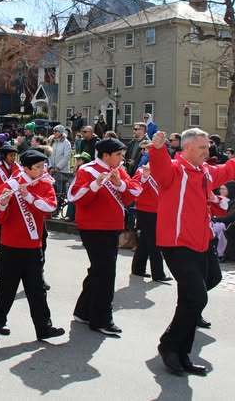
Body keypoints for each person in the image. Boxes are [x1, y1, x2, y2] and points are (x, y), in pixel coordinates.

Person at [148, 128, 235, 376]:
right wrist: (157, 149)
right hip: (176, 244)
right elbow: (160, 170)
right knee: (198, 298)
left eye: (207, 147)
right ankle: (169, 345)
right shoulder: (175, 170)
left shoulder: (204, 172)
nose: (207, 151)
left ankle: (180, 354)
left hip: (200, 243)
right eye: (201, 148)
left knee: (190, 299)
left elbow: (229, 170)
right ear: (186, 149)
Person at [0, 149, 65, 340]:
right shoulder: (11, 183)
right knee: (7, 287)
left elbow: (50, 207)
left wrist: (28, 196)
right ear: (27, 169)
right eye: (38, 167)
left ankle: (44, 327)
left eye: (43, 166)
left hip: (33, 245)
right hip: (11, 245)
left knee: (36, 289)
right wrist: (3, 203)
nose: (42, 169)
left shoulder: (45, 183)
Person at [68, 138, 140, 336]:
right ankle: (101, 319)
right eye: (118, 154)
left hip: (111, 227)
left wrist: (120, 184)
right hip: (94, 228)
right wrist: (94, 185)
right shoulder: (88, 170)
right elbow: (75, 197)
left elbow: (132, 193)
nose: (121, 158)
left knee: (99, 271)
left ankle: (83, 311)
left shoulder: (118, 170)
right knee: (106, 273)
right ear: (106, 155)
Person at [130, 150, 171, 282]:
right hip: (145, 211)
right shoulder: (142, 171)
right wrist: (144, 178)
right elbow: (134, 188)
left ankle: (138, 268)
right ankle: (158, 273)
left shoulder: (162, 172)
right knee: (154, 242)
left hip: (159, 211)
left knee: (145, 241)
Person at [48, 125, 72, 216]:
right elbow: (49, 154)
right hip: (52, 171)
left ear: (61, 132)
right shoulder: (52, 142)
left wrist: (57, 167)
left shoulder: (66, 143)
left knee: (59, 191)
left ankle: (58, 209)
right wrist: (50, 167)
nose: (54, 133)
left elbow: (66, 157)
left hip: (62, 171)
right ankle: (52, 208)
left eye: (56, 131)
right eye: (53, 131)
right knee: (52, 190)